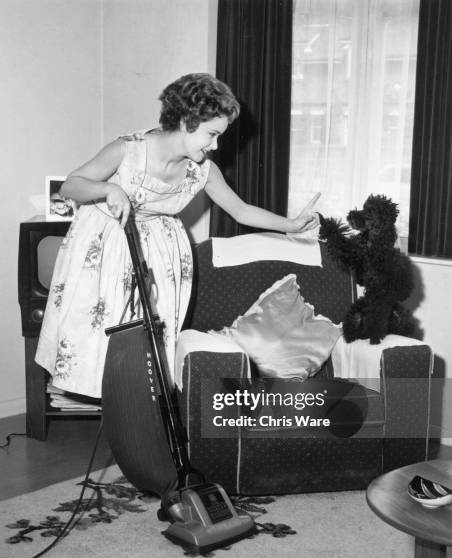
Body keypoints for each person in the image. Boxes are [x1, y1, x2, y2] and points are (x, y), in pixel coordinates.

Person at [36, 73, 319, 400]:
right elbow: (70, 186)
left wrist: (292, 225)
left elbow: (240, 210)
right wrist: (107, 188)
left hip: (157, 253)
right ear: (187, 120)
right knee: (101, 344)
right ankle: (120, 421)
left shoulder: (203, 170)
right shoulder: (129, 151)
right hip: (107, 249)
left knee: (145, 353)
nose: (215, 146)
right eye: (212, 134)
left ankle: (137, 425)